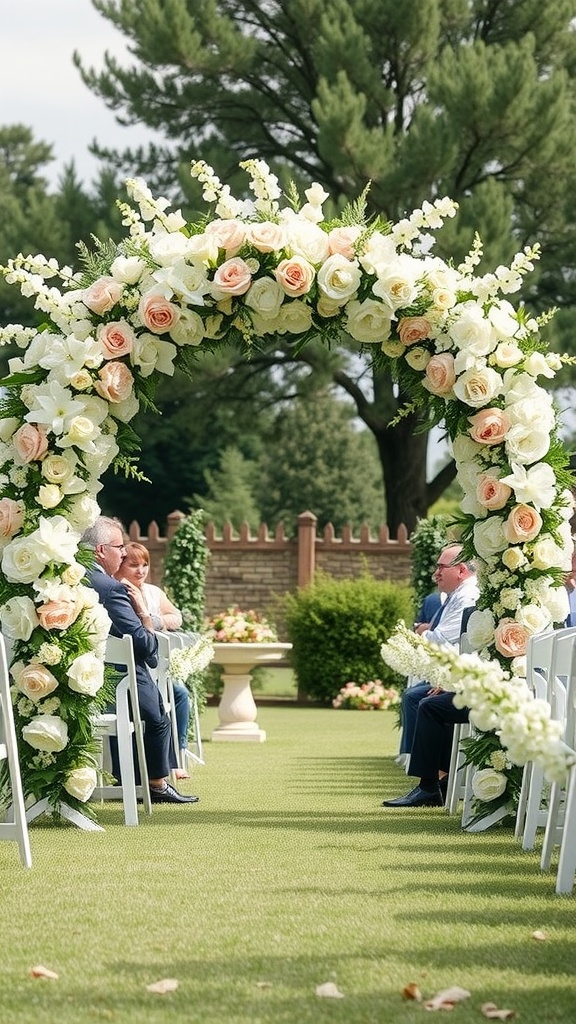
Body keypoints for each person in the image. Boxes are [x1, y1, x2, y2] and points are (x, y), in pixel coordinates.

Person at [81, 516, 199, 805]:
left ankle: (129, 779)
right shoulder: (111, 589)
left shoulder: (74, 579)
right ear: (100, 550)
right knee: (159, 717)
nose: (123, 553)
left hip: (82, 677)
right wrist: (145, 615)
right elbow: (144, 645)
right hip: (117, 680)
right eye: (119, 547)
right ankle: (156, 785)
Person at [115, 541, 192, 779]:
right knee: (168, 696)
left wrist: (153, 621)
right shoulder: (118, 591)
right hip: (133, 665)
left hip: (154, 664)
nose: (141, 570)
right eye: (134, 565)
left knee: (178, 693)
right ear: (120, 564)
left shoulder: (152, 592)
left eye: (145, 564)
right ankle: (153, 773)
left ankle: (178, 753)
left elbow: (176, 617)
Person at [396, 544, 479, 761]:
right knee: (416, 697)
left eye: (442, 567)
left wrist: (421, 636)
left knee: (419, 699)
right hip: (451, 672)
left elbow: (440, 639)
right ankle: (424, 767)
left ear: (461, 570)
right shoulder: (456, 595)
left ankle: (429, 772)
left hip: (463, 676)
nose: (436, 573)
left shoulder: (468, 595)